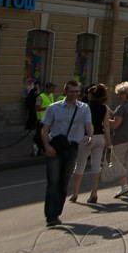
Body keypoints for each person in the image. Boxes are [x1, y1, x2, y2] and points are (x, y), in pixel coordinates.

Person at [40, 80, 93, 227]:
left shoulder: (84, 108)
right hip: (54, 148)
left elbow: (89, 124)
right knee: (53, 182)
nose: (74, 94)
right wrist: (46, 146)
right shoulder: (53, 108)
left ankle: (56, 212)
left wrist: (89, 135)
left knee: (63, 183)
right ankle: (51, 217)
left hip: (72, 148)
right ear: (65, 92)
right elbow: (45, 129)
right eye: (71, 92)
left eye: (77, 92)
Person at [71, 84, 110, 204]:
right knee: (96, 165)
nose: (87, 94)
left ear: (92, 95)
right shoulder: (105, 108)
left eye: (89, 92)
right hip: (100, 138)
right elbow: (106, 125)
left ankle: (75, 193)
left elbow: (77, 122)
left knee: (80, 165)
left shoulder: (84, 107)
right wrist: (108, 140)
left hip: (86, 137)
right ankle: (94, 193)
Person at [32, 82, 56, 156]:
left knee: (47, 136)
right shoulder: (41, 97)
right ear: (48, 88)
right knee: (40, 136)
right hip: (41, 120)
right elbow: (36, 108)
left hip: (48, 120)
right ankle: (37, 151)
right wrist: (47, 108)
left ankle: (44, 149)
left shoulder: (51, 96)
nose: (54, 89)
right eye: (52, 87)